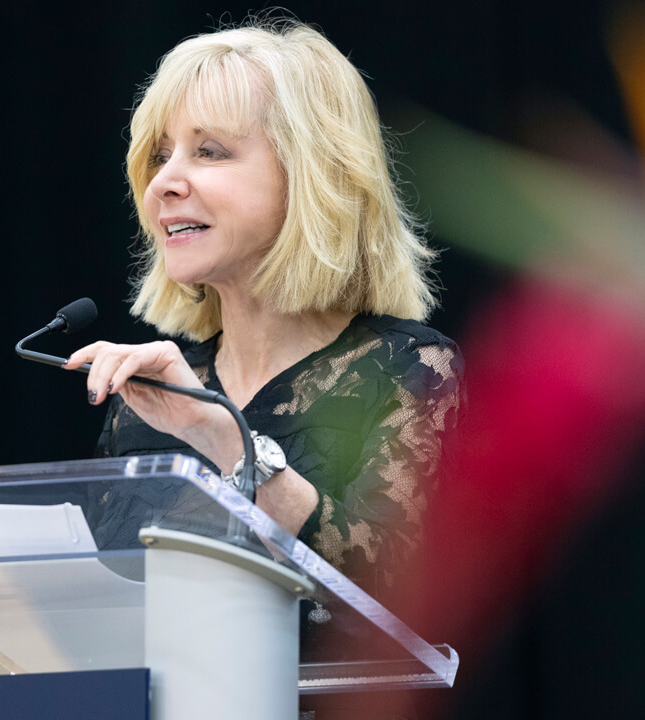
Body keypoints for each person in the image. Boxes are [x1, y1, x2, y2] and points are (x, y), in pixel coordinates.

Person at [64, 18, 463, 630]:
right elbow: (104, 620)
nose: (164, 183)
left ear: (312, 174)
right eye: (159, 156)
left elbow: (389, 600)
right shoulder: (141, 400)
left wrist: (220, 433)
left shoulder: (407, 371)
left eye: (210, 151)